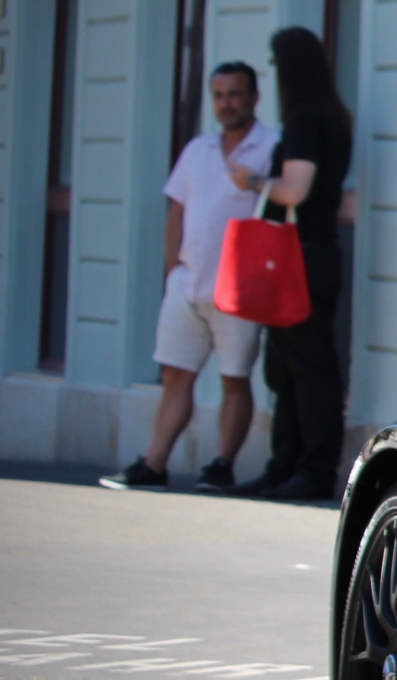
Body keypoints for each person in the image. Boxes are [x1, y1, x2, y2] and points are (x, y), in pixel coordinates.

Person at [100, 62, 278, 491]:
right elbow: (176, 210)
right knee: (175, 375)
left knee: (234, 378)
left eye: (235, 94)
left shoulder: (271, 147)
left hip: (239, 289)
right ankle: (155, 462)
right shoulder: (197, 149)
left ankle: (221, 465)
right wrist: (172, 270)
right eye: (218, 95)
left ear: (254, 97)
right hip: (188, 282)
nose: (226, 103)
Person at [227, 27, 352, 501]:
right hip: (312, 253)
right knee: (289, 364)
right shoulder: (331, 118)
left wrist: (254, 179)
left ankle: (308, 469)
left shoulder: (305, 122)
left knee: (306, 366)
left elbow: (294, 190)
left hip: (299, 257)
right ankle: (285, 467)